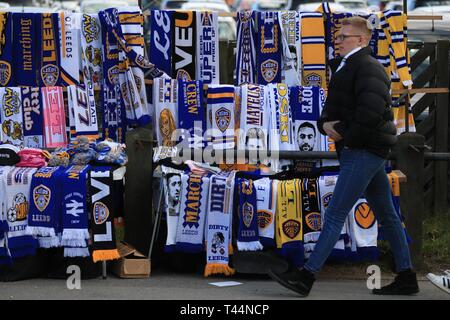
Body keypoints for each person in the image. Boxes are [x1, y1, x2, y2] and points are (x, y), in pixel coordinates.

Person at [269, 17, 419, 296]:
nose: (337, 41)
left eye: (343, 37)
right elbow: (335, 107)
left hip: (362, 150)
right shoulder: (349, 66)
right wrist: (325, 124)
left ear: (361, 40)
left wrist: (343, 134)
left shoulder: (367, 68)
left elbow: (370, 113)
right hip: (363, 149)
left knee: (336, 212)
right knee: (387, 215)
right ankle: (407, 276)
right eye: (337, 38)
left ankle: (306, 276)